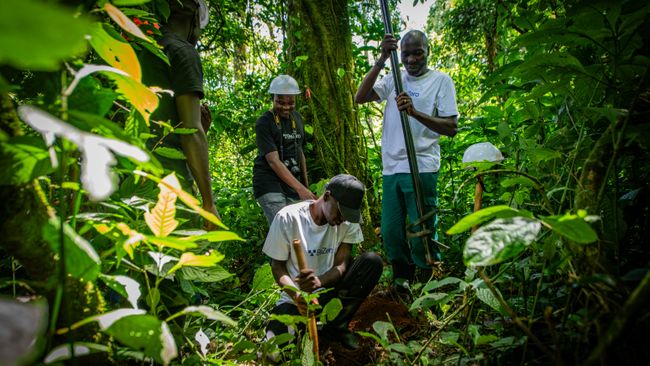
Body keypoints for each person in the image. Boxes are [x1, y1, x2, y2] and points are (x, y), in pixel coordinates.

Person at [355, 30, 458, 286]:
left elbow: (451, 127)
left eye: (417, 53)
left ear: (427, 51)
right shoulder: (394, 79)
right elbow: (360, 97)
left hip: (422, 166)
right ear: (399, 55)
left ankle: (427, 280)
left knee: (421, 228)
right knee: (390, 231)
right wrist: (381, 59)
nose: (411, 59)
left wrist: (414, 112)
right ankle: (402, 281)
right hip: (392, 167)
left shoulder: (441, 81)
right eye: (406, 54)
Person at [263, 174, 382, 350]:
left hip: (331, 291)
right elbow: (278, 267)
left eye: (349, 214)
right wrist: (297, 296)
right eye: (341, 212)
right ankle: (305, 330)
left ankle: (337, 326)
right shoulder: (288, 218)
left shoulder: (347, 222)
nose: (343, 218)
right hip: (297, 299)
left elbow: (341, 266)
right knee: (275, 351)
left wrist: (319, 281)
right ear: (326, 196)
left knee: (372, 261)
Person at [141, 0, 219, 229]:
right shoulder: (183, 52)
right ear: (196, 17)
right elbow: (191, 131)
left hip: (129, 177)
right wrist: (208, 203)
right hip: (168, 182)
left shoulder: (140, 45)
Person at [253, 75, 317, 224]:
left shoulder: (297, 118)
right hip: (269, 183)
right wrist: (300, 189)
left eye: (290, 103)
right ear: (273, 98)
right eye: (280, 103)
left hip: (292, 183)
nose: (286, 107)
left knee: (298, 227)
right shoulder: (265, 122)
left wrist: (305, 186)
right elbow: (273, 161)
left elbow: (299, 151)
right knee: (283, 227)